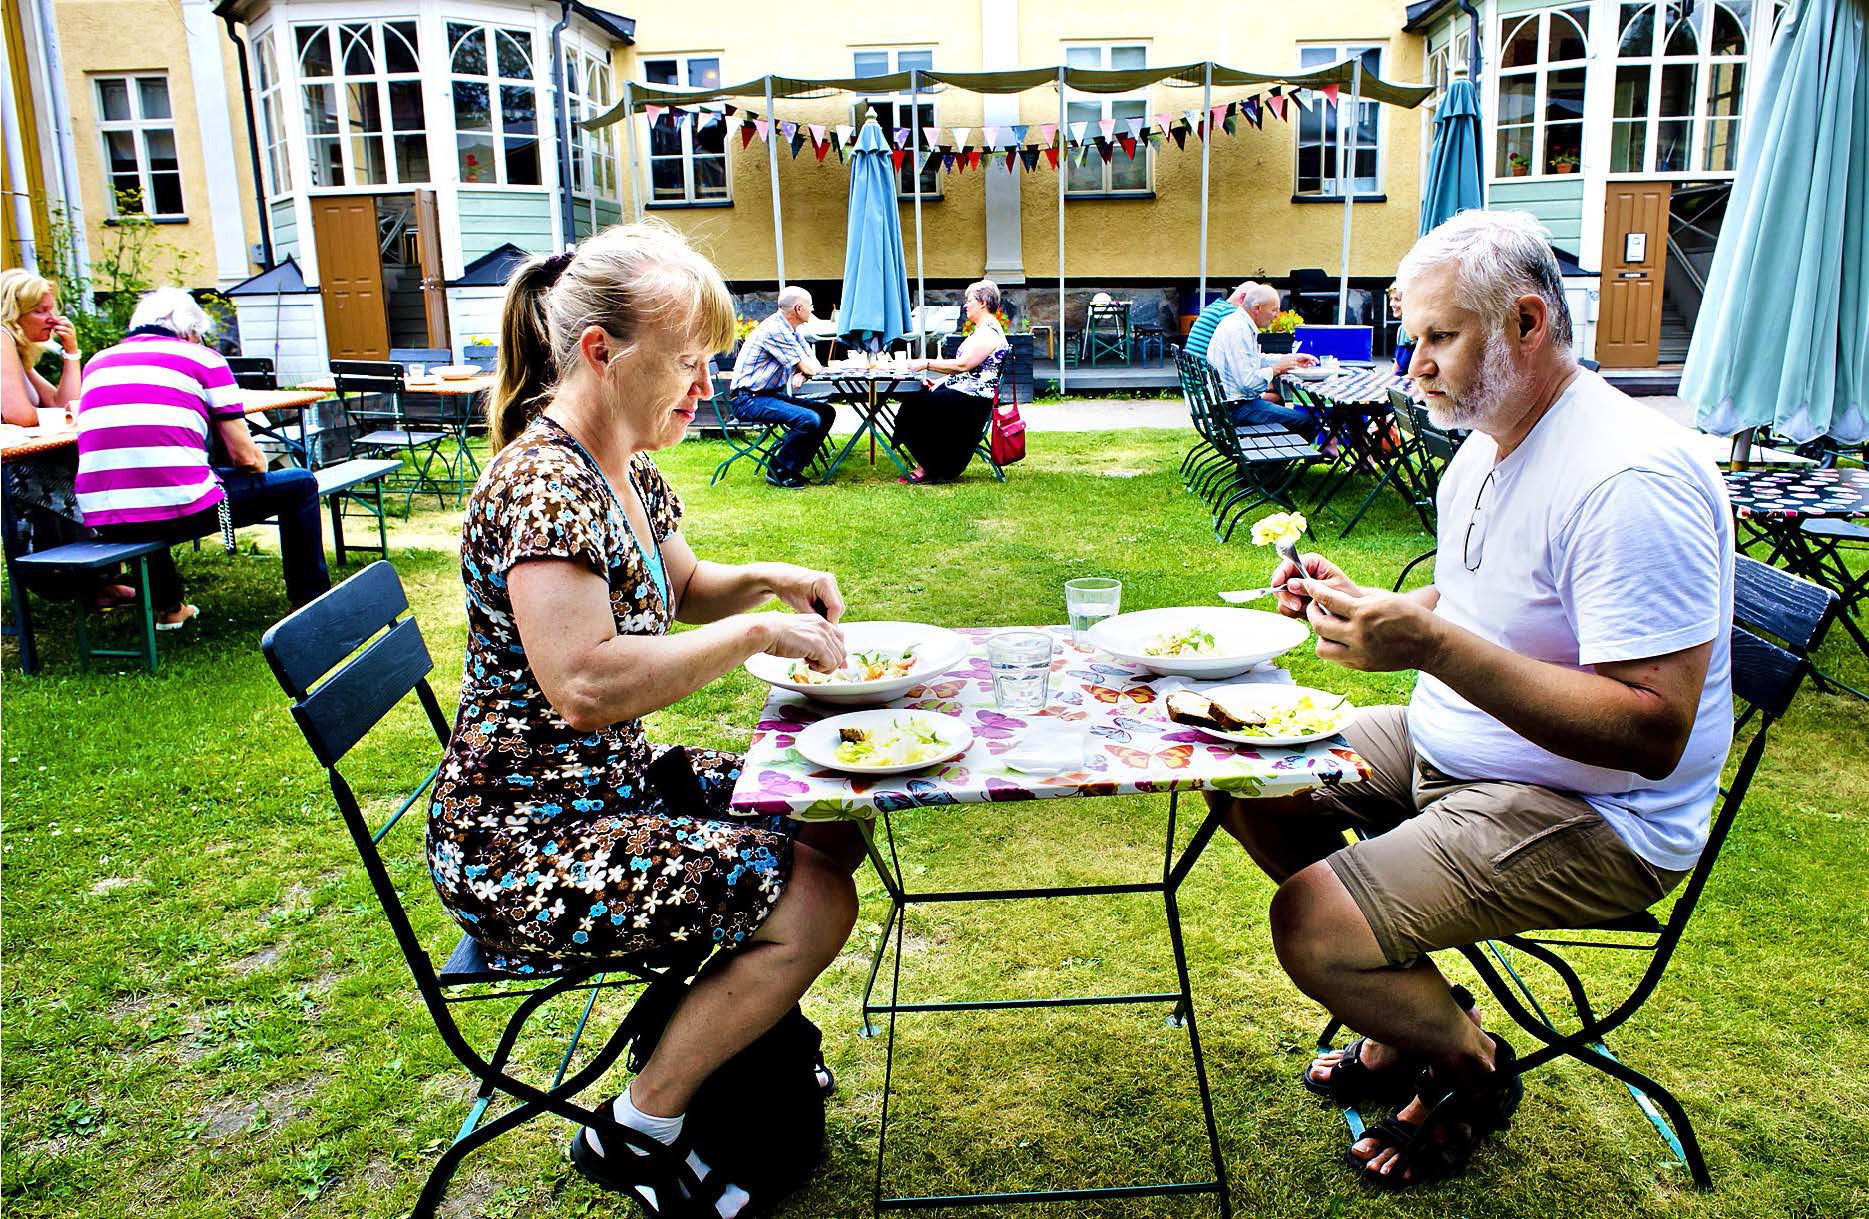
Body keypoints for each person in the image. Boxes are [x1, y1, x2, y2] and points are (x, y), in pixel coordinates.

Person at [1206, 210, 1734, 1189]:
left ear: (1527, 323)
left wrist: (1430, 646)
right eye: (1412, 336)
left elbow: (1651, 727)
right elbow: (1474, 603)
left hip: (1594, 810)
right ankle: (1413, 1007)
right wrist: (1373, 607)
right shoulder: (1488, 444)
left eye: (1439, 337)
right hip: (1456, 746)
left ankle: (1469, 1070)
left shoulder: (1627, 478)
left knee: (1311, 923)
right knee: (1244, 767)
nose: (1413, 367)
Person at [433, 220, 866, 1215]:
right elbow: (584, 683)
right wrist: (756, 635)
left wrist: (768, 579)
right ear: (601, 352)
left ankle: (742, 1048)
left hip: (607, 793)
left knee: (832, 807)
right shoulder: (542, 485)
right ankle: (642, 1125)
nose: (706, 385)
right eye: (687, 361)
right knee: (813, 901)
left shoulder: (623, 462)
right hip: (526, 842)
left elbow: (683, 585)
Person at [74, 287, 330, 628]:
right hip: (176, 508)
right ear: (191, 331)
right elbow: (245, 458)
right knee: (299, 483)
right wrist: (259, 465)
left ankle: (169, 608)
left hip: (104, 513)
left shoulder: (97, 362)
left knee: (150, 487)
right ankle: (310, 602)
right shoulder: (203, 359)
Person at [892, 279, 1009, 484]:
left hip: (972, 403)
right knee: (917, 399)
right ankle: (930, 463)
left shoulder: (989, 333)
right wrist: (942, 381)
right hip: (965, 395)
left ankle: (932, 466)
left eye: (969, 300)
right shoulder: (983, 329)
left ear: (983, 303)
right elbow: (974, 370)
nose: (965, 305)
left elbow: (963, 365)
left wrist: (926, 363)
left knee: (914, 407)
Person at [728, 286, 833, 488]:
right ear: (798, 308)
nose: (813, 309)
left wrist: (803, 372)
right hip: (748, 400)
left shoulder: (791, 329)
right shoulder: (775, 330)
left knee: (826, 412)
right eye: (810, 305)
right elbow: (810, 366)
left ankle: (794, 468)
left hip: (766, 395)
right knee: (808, 418)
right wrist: (805, 369)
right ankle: (779, 470)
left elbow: (813, 363)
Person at [1205, 282, 1320, 435]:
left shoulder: (1238, 323)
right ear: (1257, 308)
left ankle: (1283, 450)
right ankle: (1281, 452)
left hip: (1227, 406)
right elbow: (1248, 383)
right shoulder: (1238, 330)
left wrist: (1291, 359)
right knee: (1305, 422)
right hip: (1233, 411)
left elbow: (1255, 359)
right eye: (1274, 310)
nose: (1277, 316)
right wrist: (1276, 369)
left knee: (1282, 404)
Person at [1, 269, 82, 425]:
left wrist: (71, 352)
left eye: (51, 310)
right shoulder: (1, 337)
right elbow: (20, 416)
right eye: (40, 311)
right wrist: (60, 418)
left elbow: (64, 406)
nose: (53, 319)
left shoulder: (16, 351)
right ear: (13, 314)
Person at [1182, 281, 1246, 364]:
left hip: (1194, 366)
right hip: (1204, 368)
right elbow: (1238, 349)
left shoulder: (1217, 305)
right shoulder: (1230, 312)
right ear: (1243, 298)